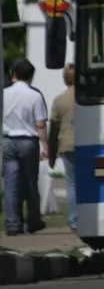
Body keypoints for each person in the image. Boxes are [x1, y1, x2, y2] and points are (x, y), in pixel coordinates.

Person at [3, 59, 51, 235]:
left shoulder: (4, 93)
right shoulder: (35, 95)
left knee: (11, 184)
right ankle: (33, 221)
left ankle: (12, 223)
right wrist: (45, 146)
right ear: (31, 76)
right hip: (28, 141)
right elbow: (40, 124)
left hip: (8, 140)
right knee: (30, 183)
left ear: (13, 74)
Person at [49, 63, 76, 231]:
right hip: (87, 144)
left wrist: (51, 155)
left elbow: (54, 129)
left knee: (71, 183)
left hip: (67, 144)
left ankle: (73, 219)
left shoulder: (59, 101)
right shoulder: (87, 97)